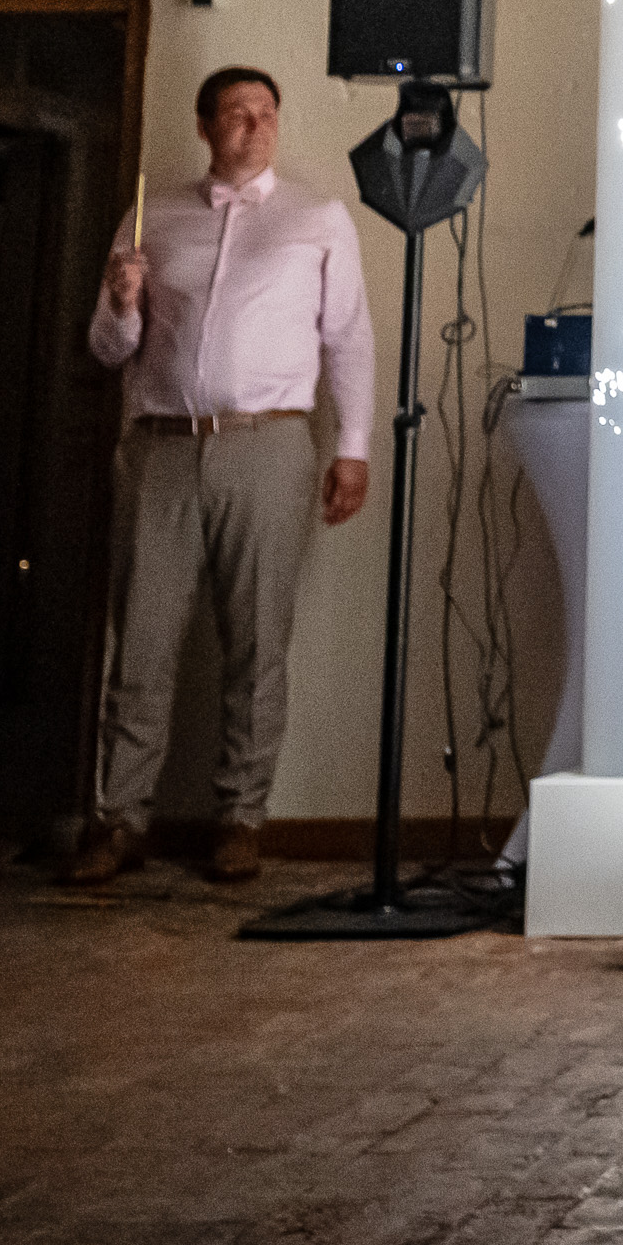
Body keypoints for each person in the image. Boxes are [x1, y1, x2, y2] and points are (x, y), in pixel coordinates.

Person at [62, 67, 376, 890]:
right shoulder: (151, 214)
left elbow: (348, 336)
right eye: (236, 113)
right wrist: (121, 302)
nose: (254, 125)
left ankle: (241, 817)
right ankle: (118, 817)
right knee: (140, 639)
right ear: (205, 126)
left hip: (268, 442)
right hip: (162, 444)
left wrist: (353, 445)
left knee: (258, 639)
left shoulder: (316, 217)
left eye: (266, 112)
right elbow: (106, 348)